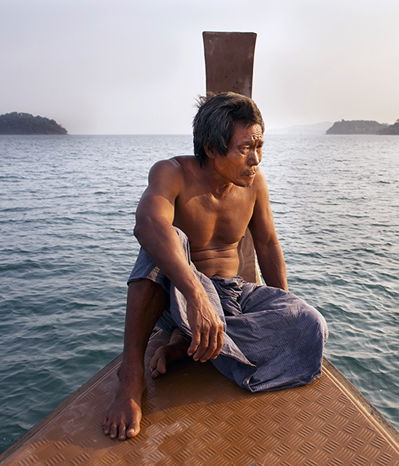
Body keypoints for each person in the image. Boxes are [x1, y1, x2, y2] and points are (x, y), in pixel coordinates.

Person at [102, 92, 328, 440]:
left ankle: (191, 349)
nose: (256, 159)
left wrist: (283, 308)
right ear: (211, 148)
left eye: (259, 146)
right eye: (244, 148)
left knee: (310, 324)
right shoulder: (172, 173)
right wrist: (195, 295)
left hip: (232, 294)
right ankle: (130, 375)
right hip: (181, 295)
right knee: (162, 237)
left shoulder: (255, 184)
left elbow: (267, 244)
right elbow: (146, 223)